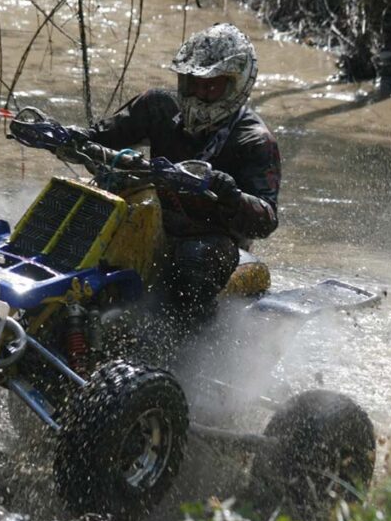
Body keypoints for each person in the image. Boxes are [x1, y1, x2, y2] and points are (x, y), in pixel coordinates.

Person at [74, 23, 281, 322]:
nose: (198, 93)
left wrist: (230, 195)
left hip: (209, 238)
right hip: (150, 215)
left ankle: (178, 353)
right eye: (191, 82)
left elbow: (267, 219)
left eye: (210, 85)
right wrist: (64, 136)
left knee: (192, 263)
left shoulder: (254, 141)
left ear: (236, 85)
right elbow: (101, 136)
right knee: (82, 207)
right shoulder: (159, 107)